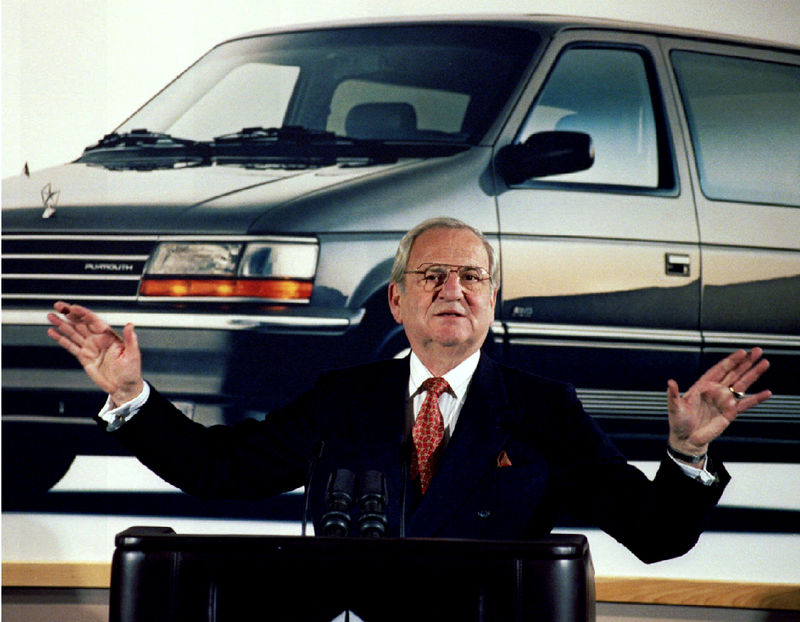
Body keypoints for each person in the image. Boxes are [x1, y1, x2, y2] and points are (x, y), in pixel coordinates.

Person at [47, 216, 772, 563]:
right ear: (396, 303)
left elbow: (655, 535)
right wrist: (133, 394)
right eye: (431, 276)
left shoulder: (544, 409)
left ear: (491, 302)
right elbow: (219, 470)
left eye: (471, 277)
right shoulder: (344, 397)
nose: (452, 289)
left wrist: (684, 452)